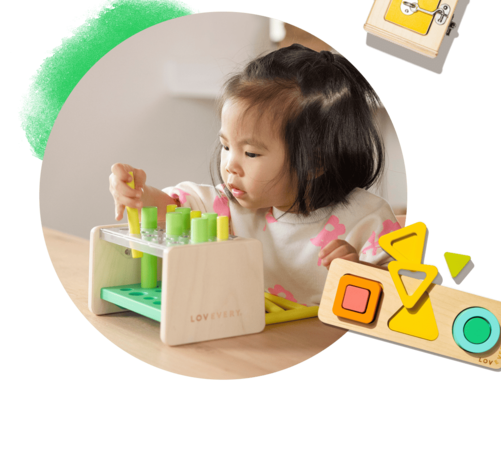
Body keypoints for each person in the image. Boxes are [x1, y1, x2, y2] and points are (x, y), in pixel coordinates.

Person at [109, 44, 400, 306]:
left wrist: (362, 273)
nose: (230, 165)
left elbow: (402, 296)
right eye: (225, 146)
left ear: (314, 162)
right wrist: (137, 193)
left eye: (251, 153)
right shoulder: (229, 205)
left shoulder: (368, 219)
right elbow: (170, 213)